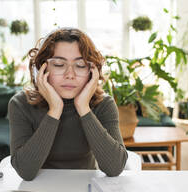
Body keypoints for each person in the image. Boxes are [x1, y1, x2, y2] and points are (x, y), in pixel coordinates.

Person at [8, 27, 128, 181]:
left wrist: (83, 108)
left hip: (86, 190)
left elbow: (115, 168)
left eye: (80, 65)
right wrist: (55, 110)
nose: (70, 75)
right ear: (42, 68)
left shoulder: (104, 104)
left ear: (92, 71)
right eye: (58, 64)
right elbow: (25, 172)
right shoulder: (20, 104)